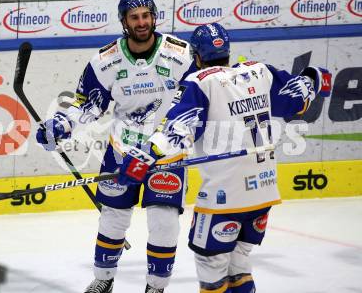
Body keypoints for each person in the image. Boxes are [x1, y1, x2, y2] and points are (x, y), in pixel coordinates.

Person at [117, 23, 332, 292]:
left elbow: (177, 131)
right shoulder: (259, 72)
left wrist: (144, 156)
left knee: (213, 274)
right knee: (239, 266)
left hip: (224, 198)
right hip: (263, 193)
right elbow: (299, 97)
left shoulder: (199, 83)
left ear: (196, 57)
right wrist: (314, 76)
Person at [36, 0, 197, 293]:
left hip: (167, 154)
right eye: (134, 17)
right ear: (124, 21)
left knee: (164, 222)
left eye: (146, 16)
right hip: (122, 149)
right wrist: (62, 124)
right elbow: (89, 105)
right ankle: (103, 279)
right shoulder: (104, 61)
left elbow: (198, 101)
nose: (141, 22)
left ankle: (155, 287)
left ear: (153, 17)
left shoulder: (181, 54)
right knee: (112, 219)